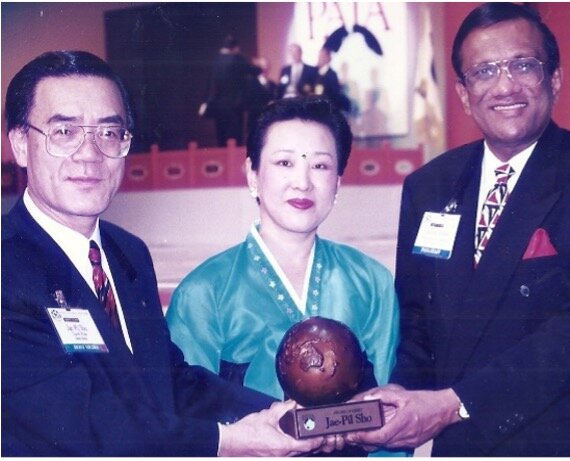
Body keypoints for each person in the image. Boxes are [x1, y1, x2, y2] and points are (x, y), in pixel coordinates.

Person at [346, 3, 570, 456]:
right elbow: (417, 322)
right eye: (485, 71)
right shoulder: (428, 187)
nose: (505, 85)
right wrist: (401, 399)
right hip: (461, 446)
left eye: (523, 65)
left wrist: (452, 405)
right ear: (465, 93)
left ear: (555, 79)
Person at [1, 50, 333, 457]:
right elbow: (80, 423)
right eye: (65, 133)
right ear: (20, 143)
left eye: (108, 133)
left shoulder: (128, 254)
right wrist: (225, 442)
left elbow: (170, 380)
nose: (89, 155)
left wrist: (277, 415)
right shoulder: (8, 267)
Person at [166, 96, 399, 454]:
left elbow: (390, 419)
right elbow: (189, 423)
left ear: (338, 182)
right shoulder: (204, 292)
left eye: (320, 166)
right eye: (284, 162)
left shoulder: (371, 282)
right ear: (252, 174)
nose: (302, 183)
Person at [206, 35, 249, 147]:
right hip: (235, 105)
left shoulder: (216, 61)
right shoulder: (236, 59)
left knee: (222, 137)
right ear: (234, 47)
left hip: (219, 105)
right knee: (236, 138)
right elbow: (250, 70)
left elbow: (211, 83)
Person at [246, 56, 276, 139]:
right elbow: (249, 104)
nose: (265, 69)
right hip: (255, 122)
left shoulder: (273, 84)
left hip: (269, 123)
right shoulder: (251, 83)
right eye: (262, 66)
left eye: (267, 66)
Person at [313, 48, 351, 113]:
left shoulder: (332, 75)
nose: (319, 59)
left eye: (322, 57)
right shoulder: (314, 71)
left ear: (328, 58)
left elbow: (334, 95)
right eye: (319, 56)